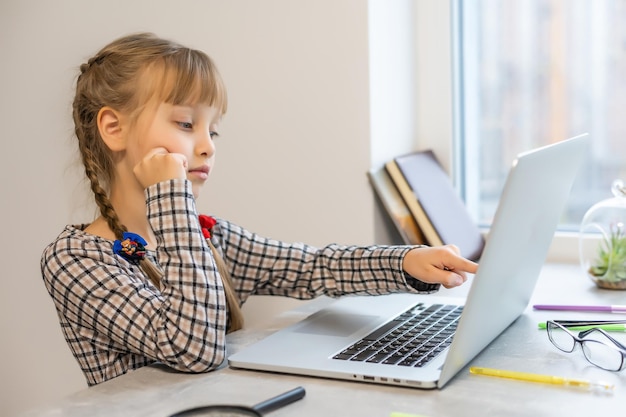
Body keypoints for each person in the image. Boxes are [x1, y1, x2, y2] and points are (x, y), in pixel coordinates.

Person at [41, 32, 478, 387]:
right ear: (113, 128)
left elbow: (311, 267)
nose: (208, 145)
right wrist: (171, 199)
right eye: (186, 124)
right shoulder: (75, 259)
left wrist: (405, 262)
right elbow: (193, 349)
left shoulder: (207, 237)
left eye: (214, 130)